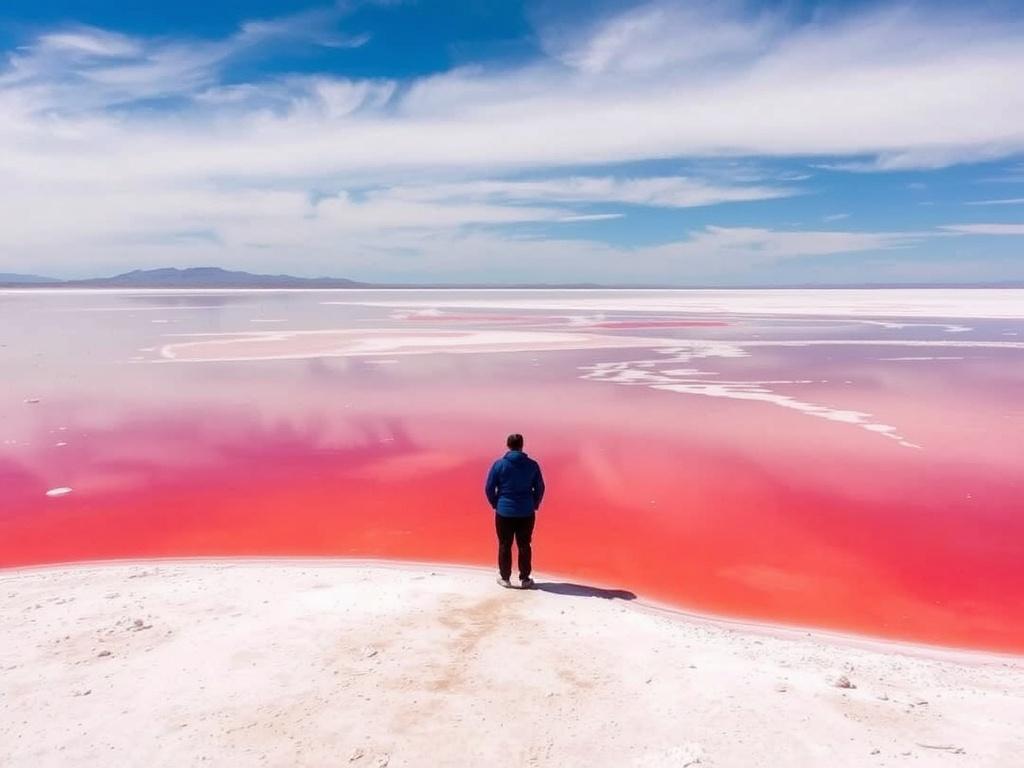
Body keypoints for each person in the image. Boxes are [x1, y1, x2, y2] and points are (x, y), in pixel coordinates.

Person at [485, 433, 545, 589]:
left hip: (504, 511)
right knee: (524, 544)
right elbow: (540, 487)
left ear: (508, 445)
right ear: (522, 445)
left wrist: (495, 503)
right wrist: (535, 503)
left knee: (505, 544)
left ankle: (505, 578)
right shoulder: (532, 465)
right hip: (526, 511)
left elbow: (489, 487)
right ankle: (525, 578)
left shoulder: (499, 465)